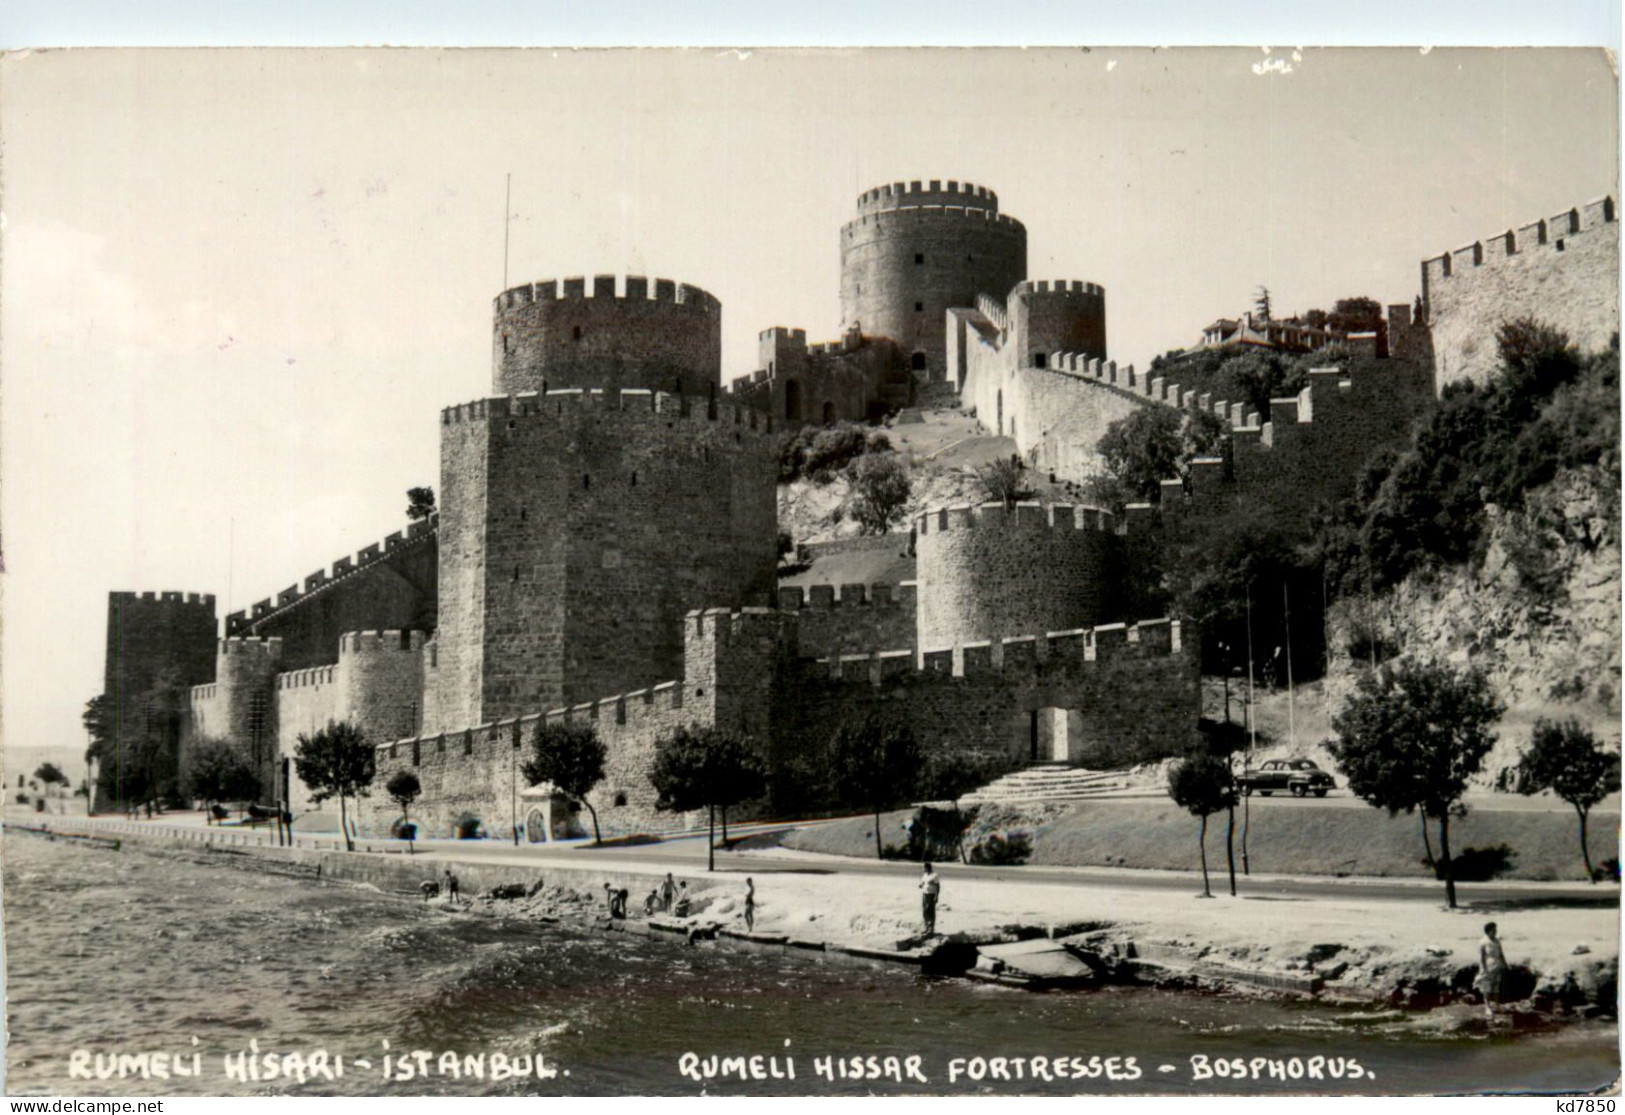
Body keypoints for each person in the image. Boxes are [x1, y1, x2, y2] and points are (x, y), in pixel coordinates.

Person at [1479, 922, 1508, 1017]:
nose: (1495, 932)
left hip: (1497, 966)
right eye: (1493, 930)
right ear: (1488, 931)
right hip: (1488, 967)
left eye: (1496, 930)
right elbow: (1482, 957)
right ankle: (1487, 1007)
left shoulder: (1497, 941)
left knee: (1496, 988)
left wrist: (1505, 964)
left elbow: (1501, 953)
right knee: (1487, 988)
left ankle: (1497, 1005)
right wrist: (1484, 969)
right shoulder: (1483, 942)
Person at [919, 860, 941, 936]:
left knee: (930, 911)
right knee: (924, 910)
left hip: (931, 895)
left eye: (924, 868)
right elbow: (923, 882)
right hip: (925, 894)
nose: (923, 869)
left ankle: (931, 928)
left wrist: (936, 896)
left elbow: (938, 886)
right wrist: (921, 885)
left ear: (928, 868)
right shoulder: (925, 875)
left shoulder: (934, 875)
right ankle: (926, 927)